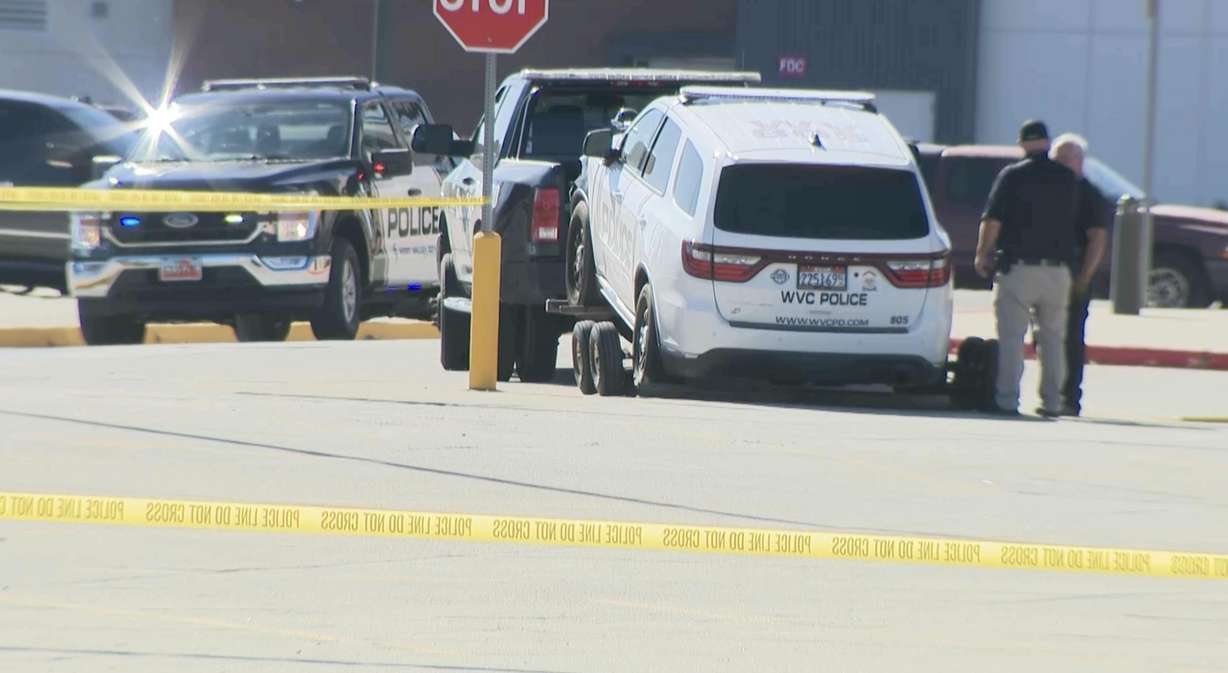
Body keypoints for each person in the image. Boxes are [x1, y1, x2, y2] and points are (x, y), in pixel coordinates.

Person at [974, 120, 1081, 418]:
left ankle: (1007, 400)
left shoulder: (1012, 176)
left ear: (1022, 144)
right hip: (1058, 272)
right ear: (1047, 143)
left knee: (1011, 338)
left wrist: (983, 254)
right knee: (1053, 339)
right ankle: (1051, 402)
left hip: (1019, 270)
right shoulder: (1068, 178)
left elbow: (992, 219)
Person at [1050, 134, 1109, 417]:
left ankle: (1070, 398)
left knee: (1071, 338)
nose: (1060, 164)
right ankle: (1051, 393)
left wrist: (1084, 278)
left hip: (1074, 275)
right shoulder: (1045, 189)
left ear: (1080, 162)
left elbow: (1097, 239)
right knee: (1046, 337)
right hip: (1045, 273)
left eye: (1066, 159)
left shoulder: (1088, 194)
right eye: (1057, 159)